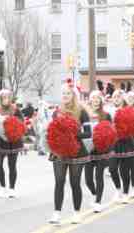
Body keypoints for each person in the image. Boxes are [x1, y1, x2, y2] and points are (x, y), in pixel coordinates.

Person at [47, 81, 91, 224]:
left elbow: (88, 133)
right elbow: (51, 130)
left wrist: (72, 135)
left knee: (75, 182)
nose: (65, 96)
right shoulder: (56, 112)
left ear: (74, 95)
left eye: (68, 93)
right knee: (59, 182)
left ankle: (76, 213)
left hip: (76, 150)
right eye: (64, 93)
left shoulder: (82, 111)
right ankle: (56, 213)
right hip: (59, 151)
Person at [0, 89, 25, 198]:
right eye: (3, 97)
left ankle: (12, 188)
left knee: (12, 165)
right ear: (0, 99)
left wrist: (11, 123)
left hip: (13, 141)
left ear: (10, 98)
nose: (5, 99)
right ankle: (2, 187)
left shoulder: (16, 109)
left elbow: (21, 123)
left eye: (7, 97)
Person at [84, 90, 112, 213]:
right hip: (89, 150)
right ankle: (95, 193)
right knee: (88, 179)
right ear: (90, 100)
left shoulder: (106, 115)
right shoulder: (85, 114)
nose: (95, 100)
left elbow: (110, 131)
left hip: (101, 149)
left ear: (101, 100)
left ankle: (98, 201)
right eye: (93, 98)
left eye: (97, 98)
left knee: (99, 176)